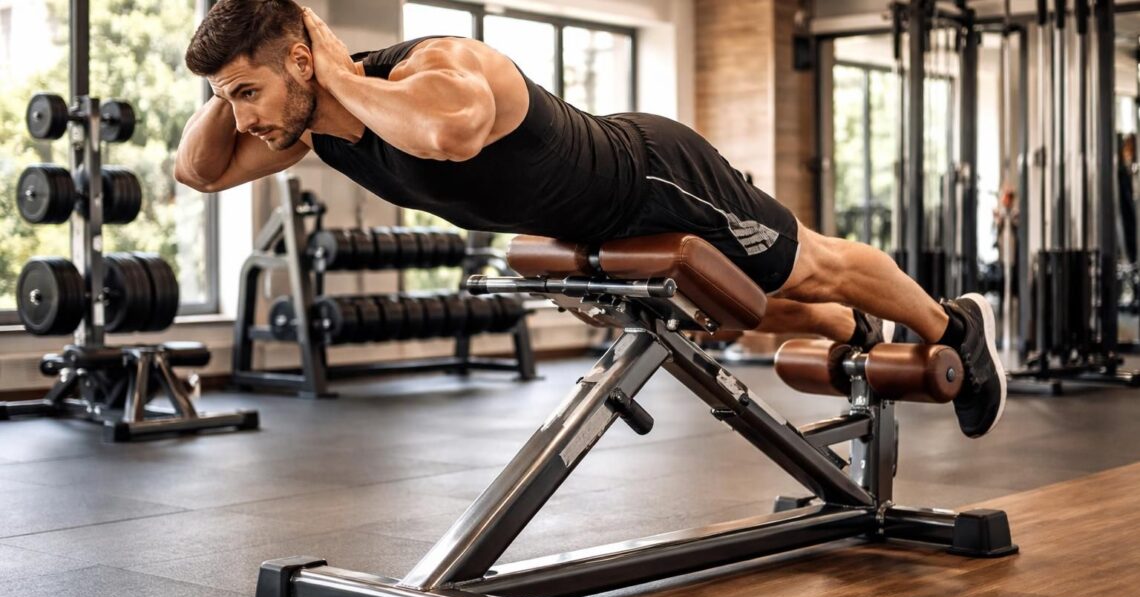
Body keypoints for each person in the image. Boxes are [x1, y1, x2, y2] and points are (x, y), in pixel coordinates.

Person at [175, 0, 1006, 437]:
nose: (245, 119)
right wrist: (225, 89)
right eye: (229, 99)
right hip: (587, 230)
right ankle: (862, 330)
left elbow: (444, 132)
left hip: (650, 176)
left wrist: (328, 63)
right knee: (747, 311)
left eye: (248, 93)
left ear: (301, 60)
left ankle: (953, 323)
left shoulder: (439, 65)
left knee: (804, 264)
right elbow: (197, 171)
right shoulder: (310, 129)